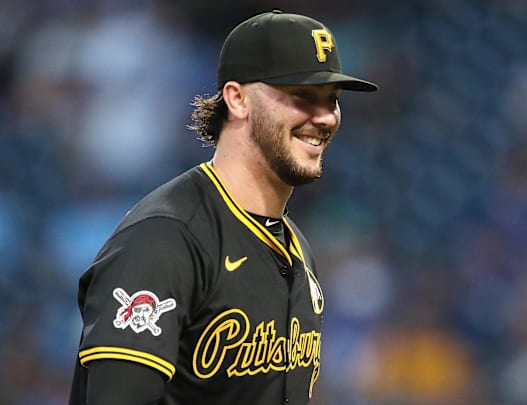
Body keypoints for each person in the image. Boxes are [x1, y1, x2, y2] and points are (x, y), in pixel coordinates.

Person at [68, 9, 377, 405]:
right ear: (237, 98)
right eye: (302, 96)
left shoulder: (296, 247)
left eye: (331, 100)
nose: (324, 117)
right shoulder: (167, 238)